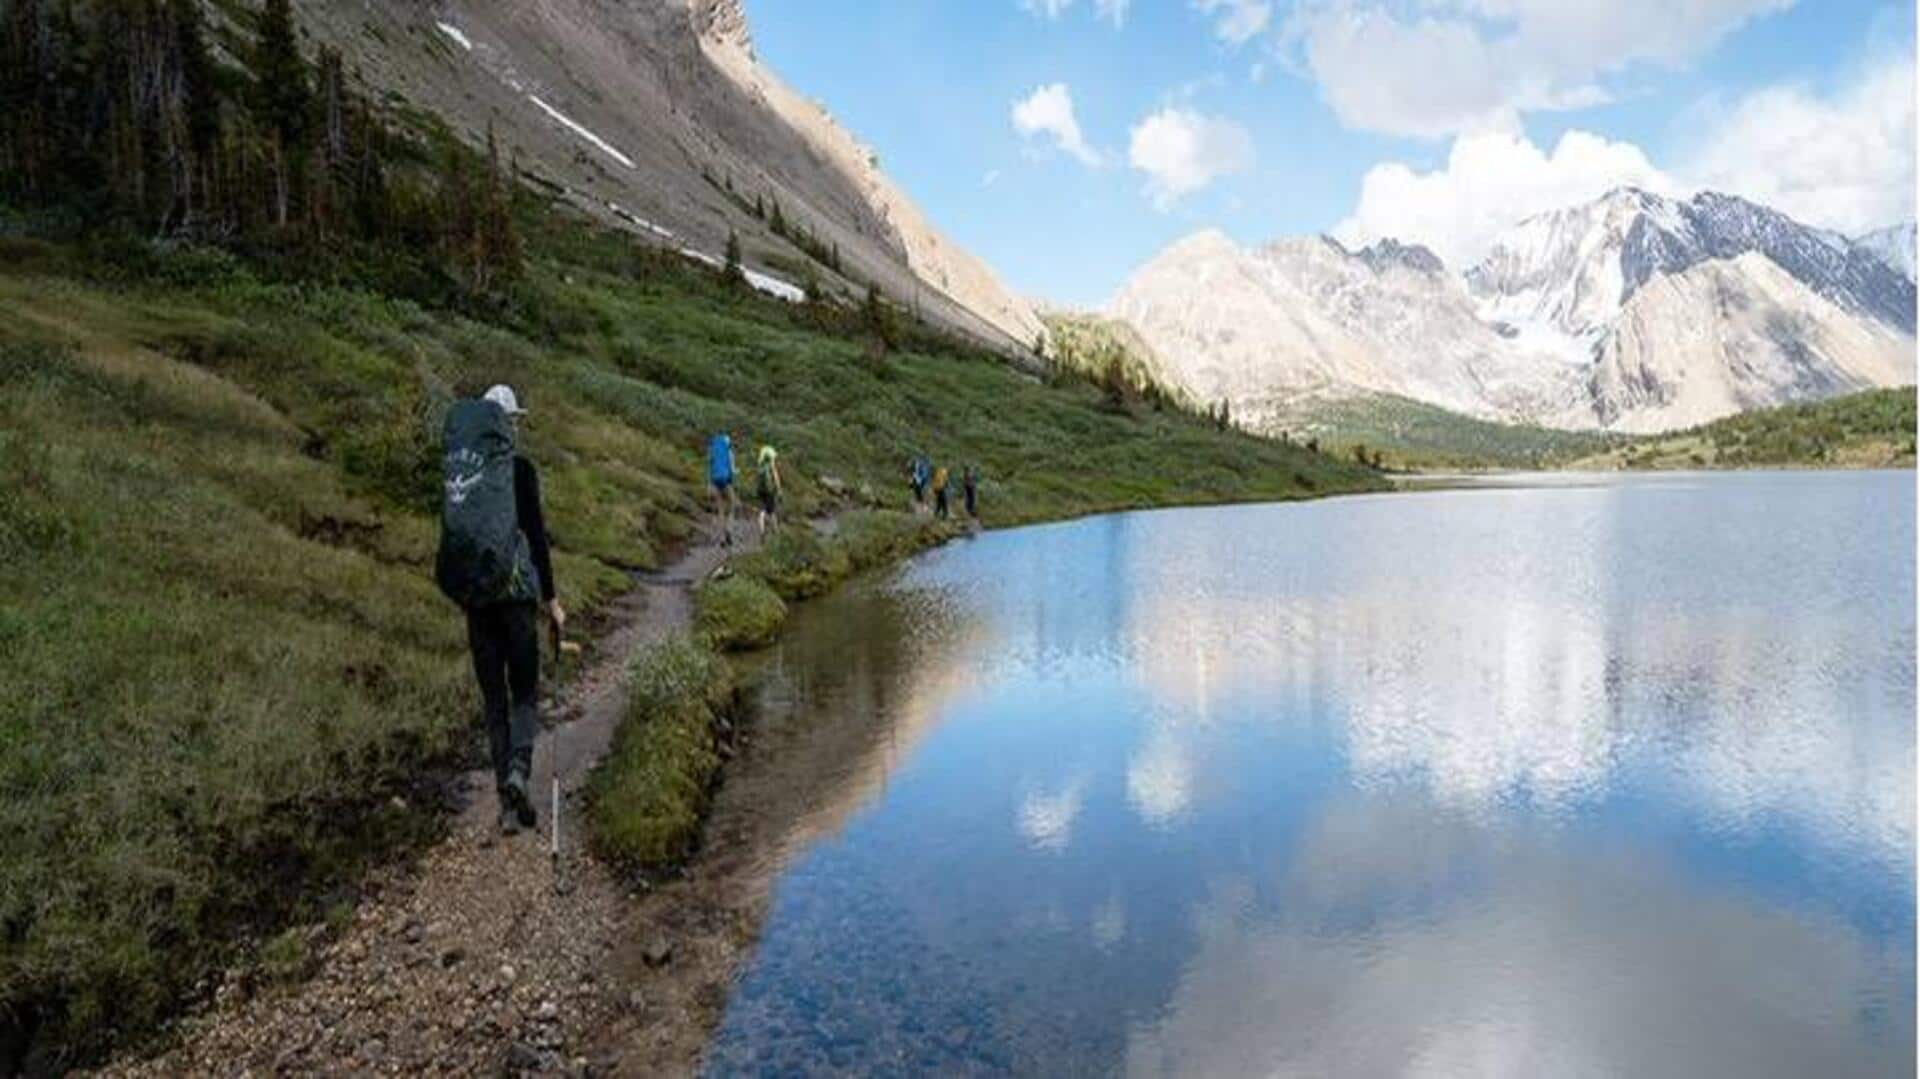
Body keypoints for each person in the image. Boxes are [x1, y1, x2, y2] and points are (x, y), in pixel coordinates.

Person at [442, 384, 563, 837]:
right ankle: (518, 770)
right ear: (509, 424)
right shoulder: (521, 470)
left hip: (477, 601)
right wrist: (551, 601)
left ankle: (508, 807)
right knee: (525, 691)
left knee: (494, 700)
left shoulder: (463, 475)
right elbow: (537, 537)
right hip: (516, 599)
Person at [708, 430, 737, 546]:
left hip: (714, 480)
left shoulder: (713, 448)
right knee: (732, 504)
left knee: (720, 510)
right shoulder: (728, 450)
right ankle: (729, 530)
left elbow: (710, 464)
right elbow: (732, 467)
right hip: (726, 480)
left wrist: (709, 483)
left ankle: (721, 539)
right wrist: (734, 473)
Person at [755, 442, 783, 536]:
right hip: (769, 490)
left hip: (760, 490)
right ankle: (776, 531)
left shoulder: (760, 465)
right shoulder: (771, 465)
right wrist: (779, 489)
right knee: (772, 511)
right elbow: (775, 478)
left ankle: (762, 529)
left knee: (762, 510)